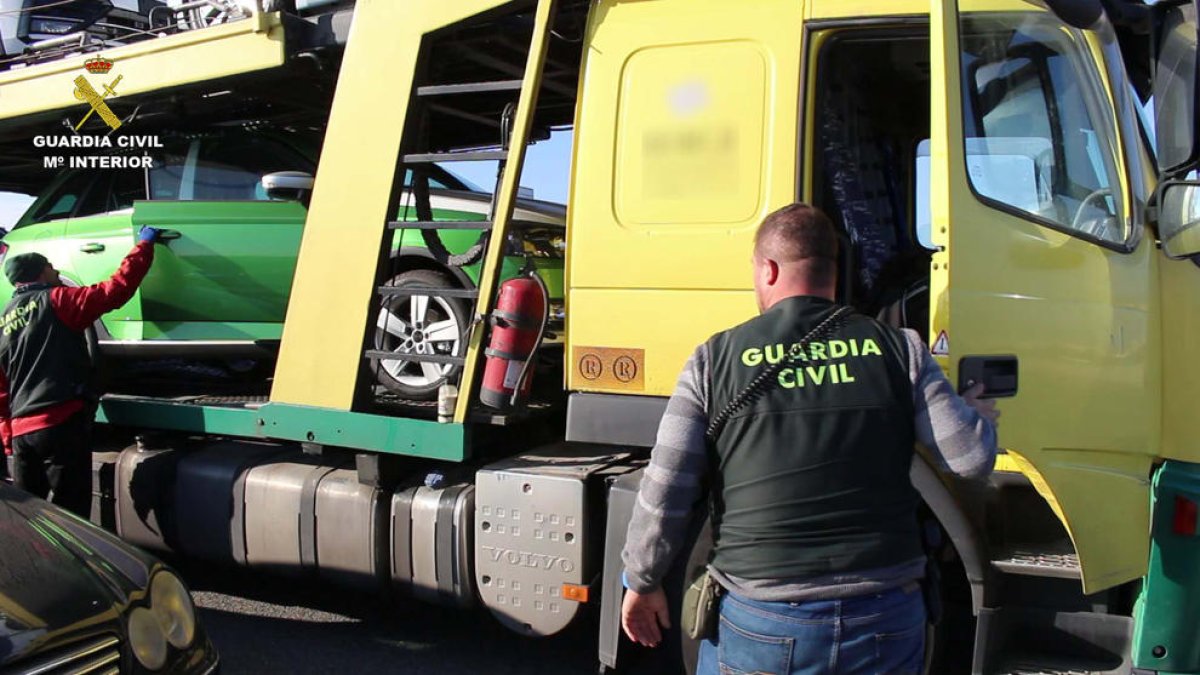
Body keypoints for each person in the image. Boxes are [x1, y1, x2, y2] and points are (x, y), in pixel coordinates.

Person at [620, 203, 999, 675]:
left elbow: (666, 488)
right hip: (886, 612)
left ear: (768, 269)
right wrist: (978, 416)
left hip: (765, 618)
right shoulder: (902, 349)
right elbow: (970, 459)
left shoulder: (711, 361)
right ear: (833, 271)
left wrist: (642, 580)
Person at [0, 226, 163, 514]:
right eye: (51, 267)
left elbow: (1, 390)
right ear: (41, 272)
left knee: (31, 519)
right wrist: (144, 246)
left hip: (23, 436)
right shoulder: (58, 300)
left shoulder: (3, 321)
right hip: (59, 424)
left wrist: (7, 437)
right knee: (72, 516)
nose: (56, 271)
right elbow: (115, 290)